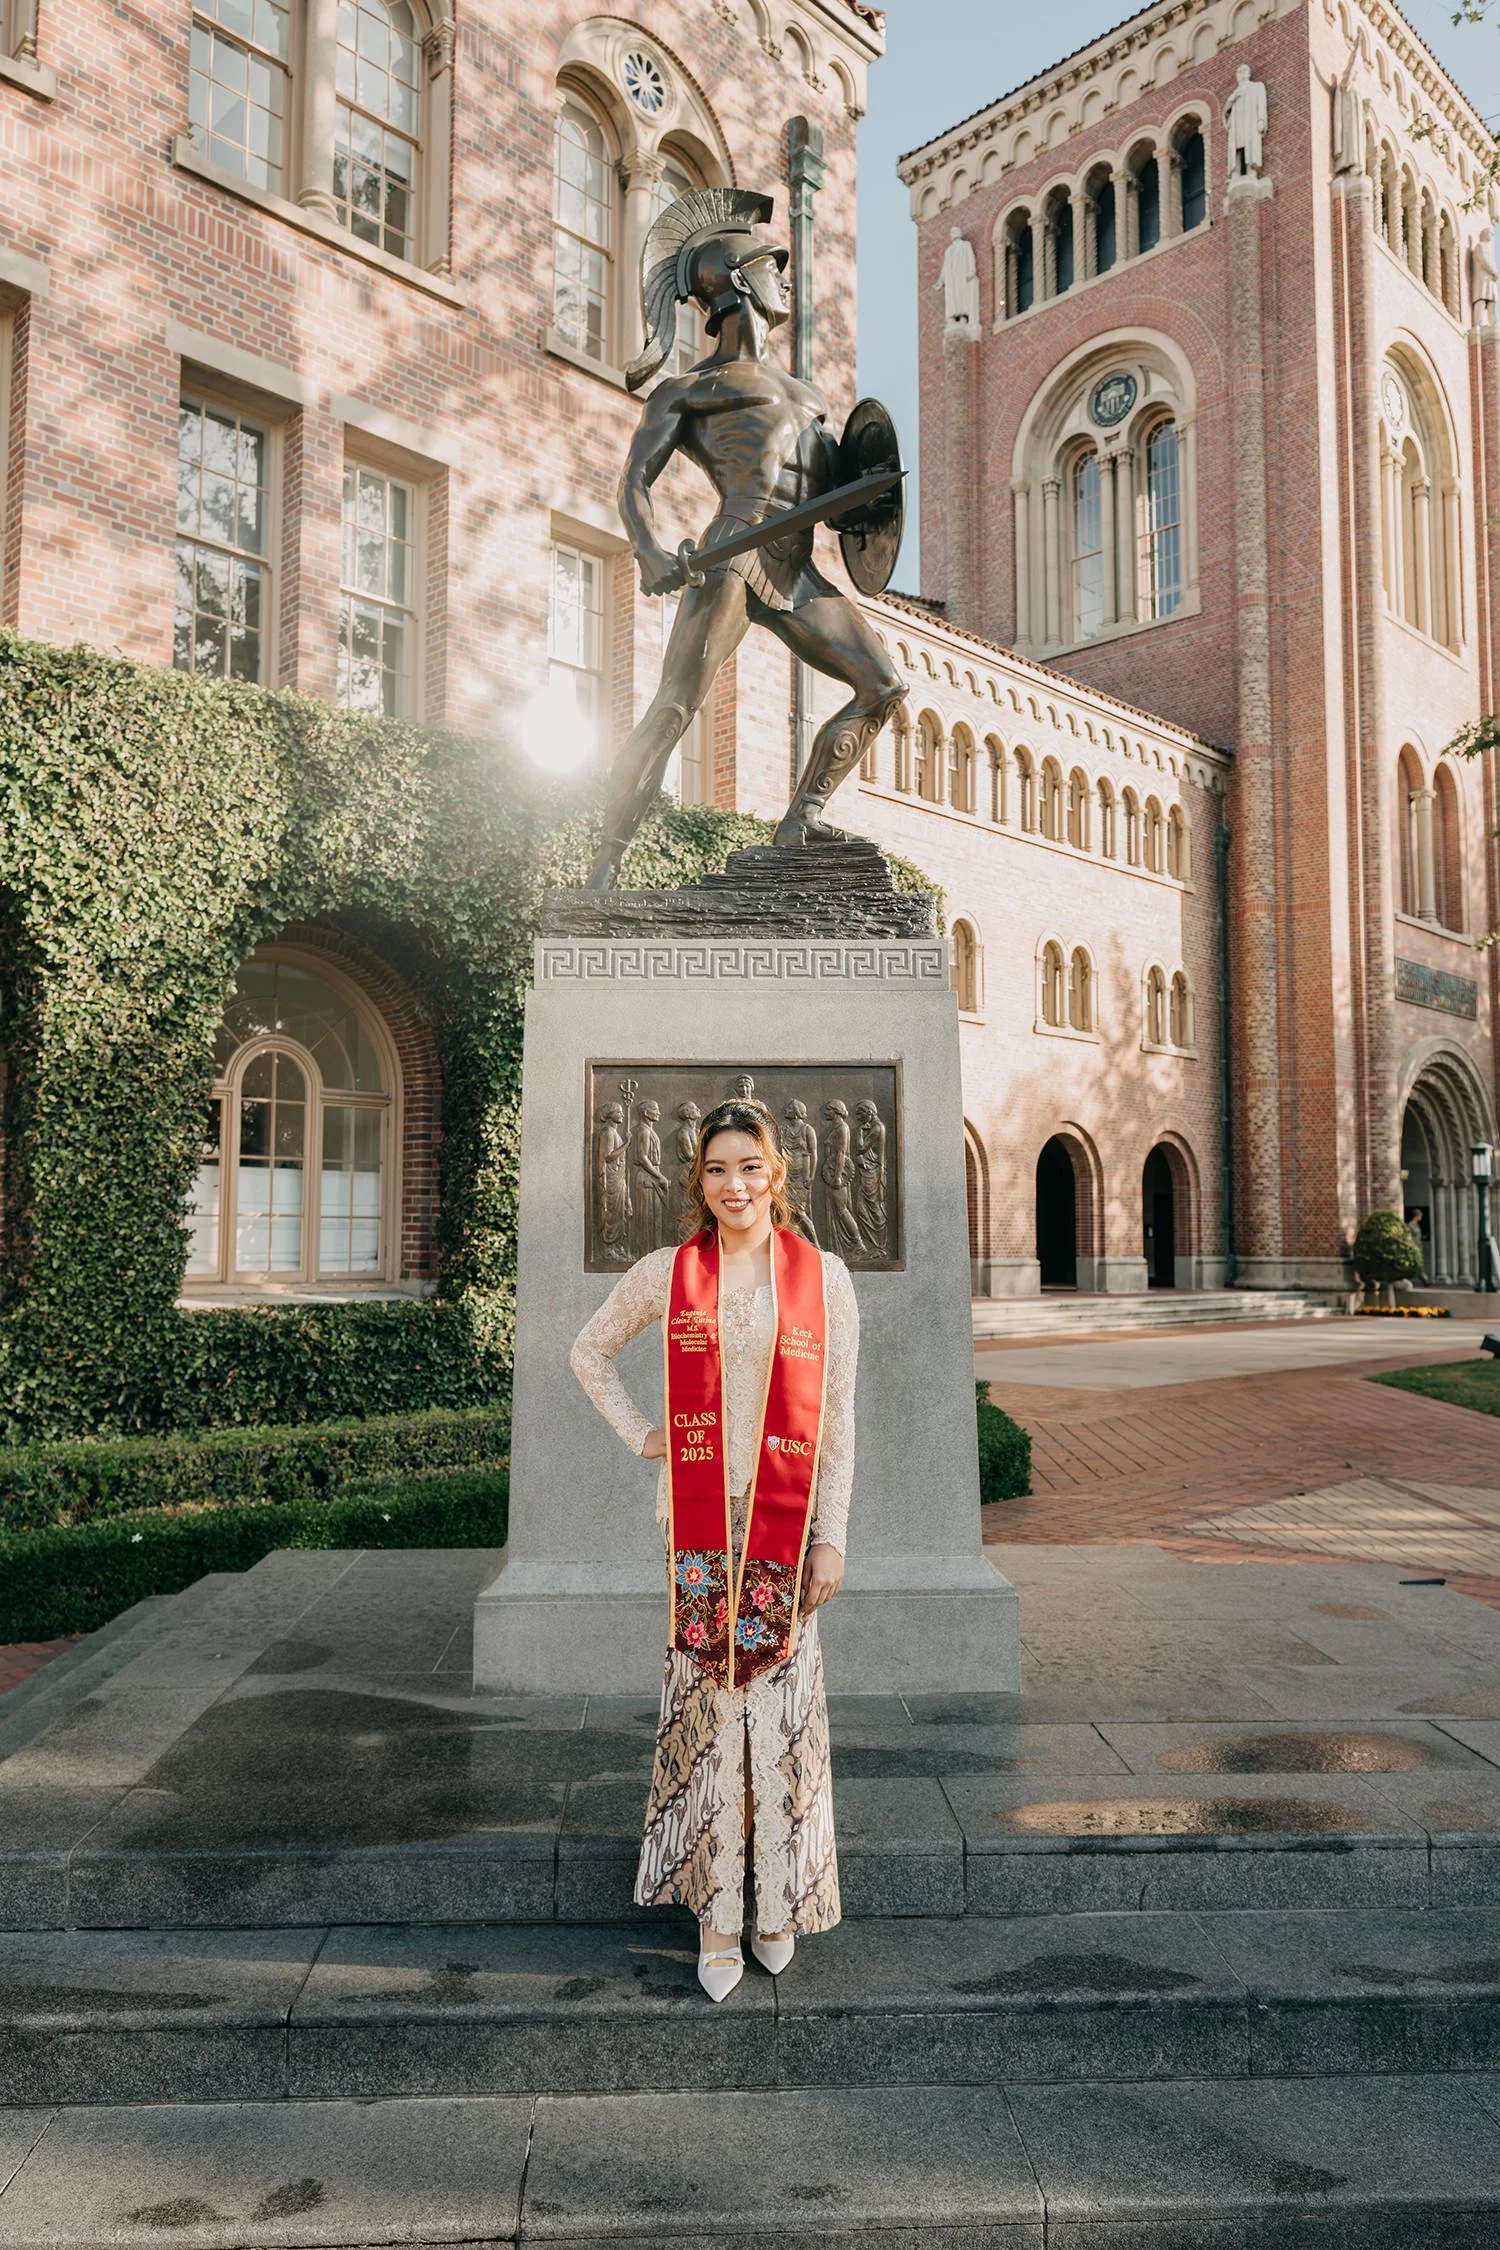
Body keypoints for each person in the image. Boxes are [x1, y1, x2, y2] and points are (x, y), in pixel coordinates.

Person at [570, 1098, 859, 2002]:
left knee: (778, 1714)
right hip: (698, 1520)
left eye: (749, 1166)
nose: (735, 1185)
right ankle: (717, 1913)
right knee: (708, 1709)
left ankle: (778, 1904)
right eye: (717, 1170)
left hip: (784, 1522)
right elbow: (588, 1352)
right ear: (698, 1182)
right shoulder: (668, 1274)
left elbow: (838, 1419)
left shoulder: (822, 1279)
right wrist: (642, 1434)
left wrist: (832, 1536)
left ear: (777, 1173)